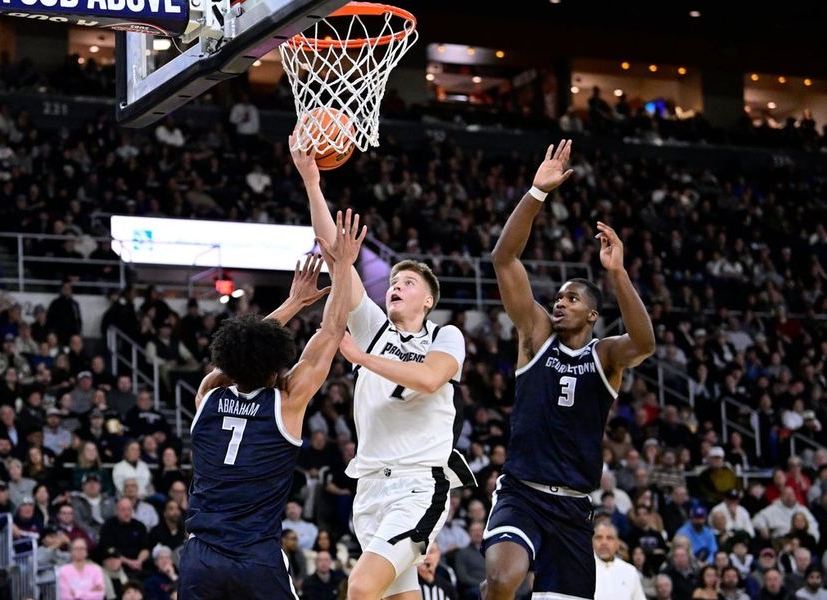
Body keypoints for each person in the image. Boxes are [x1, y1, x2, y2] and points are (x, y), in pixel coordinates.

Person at [292, 136, 476, 600]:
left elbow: (430, 378)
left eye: (408, 283)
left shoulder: (444, 335)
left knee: (360, 588)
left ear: (428, 299)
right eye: (393, 281)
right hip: (369, 487)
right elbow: (335, 252)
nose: (396, 287)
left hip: (418, 485)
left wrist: (361, 359)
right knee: (399, 597)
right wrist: (313, 183)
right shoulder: (374, 326)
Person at [482, 139, 656, 600]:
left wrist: (617, 274)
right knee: (501, 578)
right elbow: (504, 259)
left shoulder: (605, 356)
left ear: (593, 315)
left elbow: (645, 343)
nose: (559, 302)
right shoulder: (536, 335)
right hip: (521, 492)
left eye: (571, 298)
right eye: (557, 296)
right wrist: (535, 194)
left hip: (574, 507)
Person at [178, 211, 364, 600]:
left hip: (200, 557)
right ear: (276, 362)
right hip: (254, 557)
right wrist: (343, 266)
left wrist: (292, 303)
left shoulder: (208, 393)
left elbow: (242, 349)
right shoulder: (286, 403)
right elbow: (331, 331)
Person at [592, 521, 645, 600]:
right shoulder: (582, 569)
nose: (604, 542)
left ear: (617, 544)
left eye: (609, 538)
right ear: (592, 542)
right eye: (599, 538)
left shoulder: (630, 571)